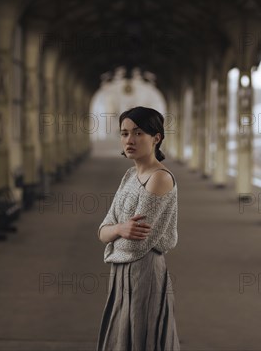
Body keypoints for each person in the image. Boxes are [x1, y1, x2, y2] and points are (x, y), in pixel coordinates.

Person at [97, 106, 180, 351]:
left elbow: (136, 243)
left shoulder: (160, 178)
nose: (129, 140)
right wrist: (120, 229)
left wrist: (115, 233)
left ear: (157, 138)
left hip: (144, 270)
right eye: (124, 134)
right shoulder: (129, 177)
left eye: (138, 132)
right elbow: (102, 229)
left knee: (142, 336)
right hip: (121, 271)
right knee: (122, 337)